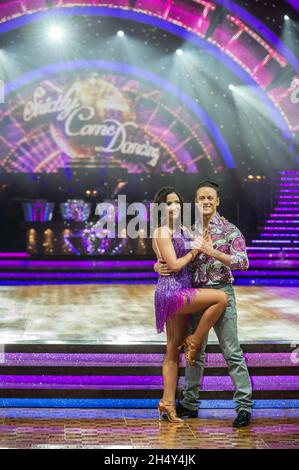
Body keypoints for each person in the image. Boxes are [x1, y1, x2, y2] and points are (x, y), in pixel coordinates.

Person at [155, 181, 253, 428]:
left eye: (210, 197)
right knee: (194, 355)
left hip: (221, 292)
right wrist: (157, 265)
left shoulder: (230, 230)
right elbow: (171, 255)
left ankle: (243, 407)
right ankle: (189, 403)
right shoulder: (189, 230)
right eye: (201, 198)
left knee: (232, 352)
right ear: (195, 202)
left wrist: (213, 251)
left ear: (217, 201)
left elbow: (243, 263)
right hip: (194, 294)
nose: (206, 201)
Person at [152, 186, 228, 423]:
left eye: (176, 202)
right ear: (160, 208)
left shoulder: (182, 229)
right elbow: (173, 265)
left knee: (173, 351)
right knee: (220, 298)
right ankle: (194, 341)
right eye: (168, 203)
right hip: (173, 293)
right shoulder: (163, 231)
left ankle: (166, 402)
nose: (173, 206)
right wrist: (194, 253)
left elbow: (200, 241)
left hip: (180, 289)